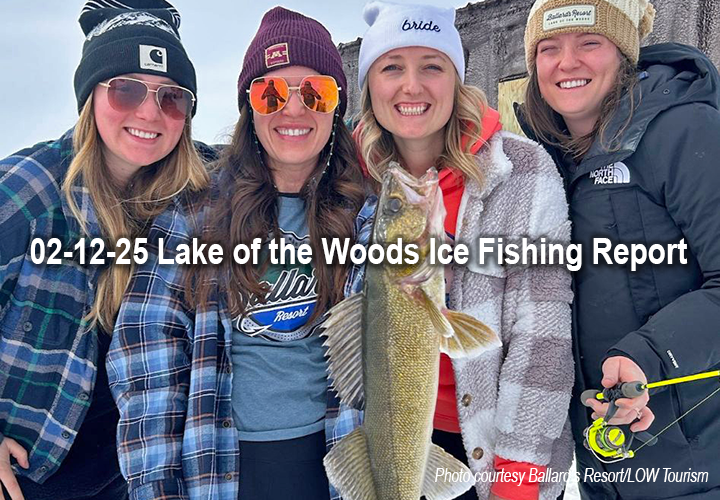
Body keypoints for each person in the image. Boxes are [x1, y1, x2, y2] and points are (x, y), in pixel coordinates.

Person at [107, 6, 366, 500]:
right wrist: (156, 488)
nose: (293, 110)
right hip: (223, 465)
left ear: (337, 106)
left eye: (316, 92)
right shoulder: (192, 219)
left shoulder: (367, 219)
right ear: (250, 107)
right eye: (270, 93)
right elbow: (147, 360)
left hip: (339, 457)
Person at [347, 2, 575, 499]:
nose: (412, 86)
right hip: (387, 445)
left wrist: (518, 480)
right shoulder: (345, 181)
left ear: (457, 78)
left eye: (432, 65)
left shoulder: (524, 171)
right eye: (391, 67)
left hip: (498, 454)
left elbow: (544, 341)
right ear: (369, 86)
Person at [0, 1, 208, 500]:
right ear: (89, 95)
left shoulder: (190, 202)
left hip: (126, 475)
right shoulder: (28, 191)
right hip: (30, 476)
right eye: (127, 89)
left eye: (172, 97)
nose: (149, 112)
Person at [519, 0, 720, 497]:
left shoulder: (685, 131)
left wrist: (648, 353)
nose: (568, 63)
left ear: (624, 55)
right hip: (603, 465)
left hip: (695, 462)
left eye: (590, 42)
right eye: (549, 48)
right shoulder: (545, 162)